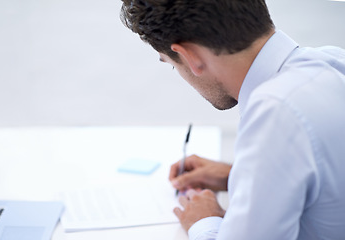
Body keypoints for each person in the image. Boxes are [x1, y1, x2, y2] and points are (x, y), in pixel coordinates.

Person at [120, 0, 345, 239]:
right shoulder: (334, 61)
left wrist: (205, 221)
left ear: (190, 56)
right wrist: (236, 174)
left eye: (174, 65)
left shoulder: (276, 111)